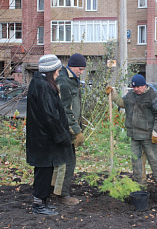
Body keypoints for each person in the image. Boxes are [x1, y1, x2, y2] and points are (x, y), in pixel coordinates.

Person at [26, 54, 74, 215]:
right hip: (44, 139)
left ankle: (42, 201)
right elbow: (50, 116)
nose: (59, 73)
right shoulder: (43, 87)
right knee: (43, 171)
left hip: (42, 138)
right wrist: (62, 136)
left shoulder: (40, 83)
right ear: (50, 71)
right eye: (57, 70)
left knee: (45, 170)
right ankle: (39, 204)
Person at [106, 74, 157, 189]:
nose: (136, 89)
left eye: (138, 87)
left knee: (153, 158)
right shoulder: (131, 95)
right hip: (134, 134)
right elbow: (122, 103)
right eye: (134, 87)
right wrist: (113, 94)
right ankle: (140, 181)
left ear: (144, 85)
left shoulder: (153, 96)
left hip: (149, 134)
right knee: (136, 159)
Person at [53, 53, 86, 205]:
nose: (82, 72)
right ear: (72, 66)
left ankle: (53, 189)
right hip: (64, 129)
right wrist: (76, 130)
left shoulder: (72, 80)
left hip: (66, 129)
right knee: (68, 162)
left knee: (61, 161)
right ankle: (63, 195)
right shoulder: (64, 82)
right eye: (80, 68)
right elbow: (65, 110)